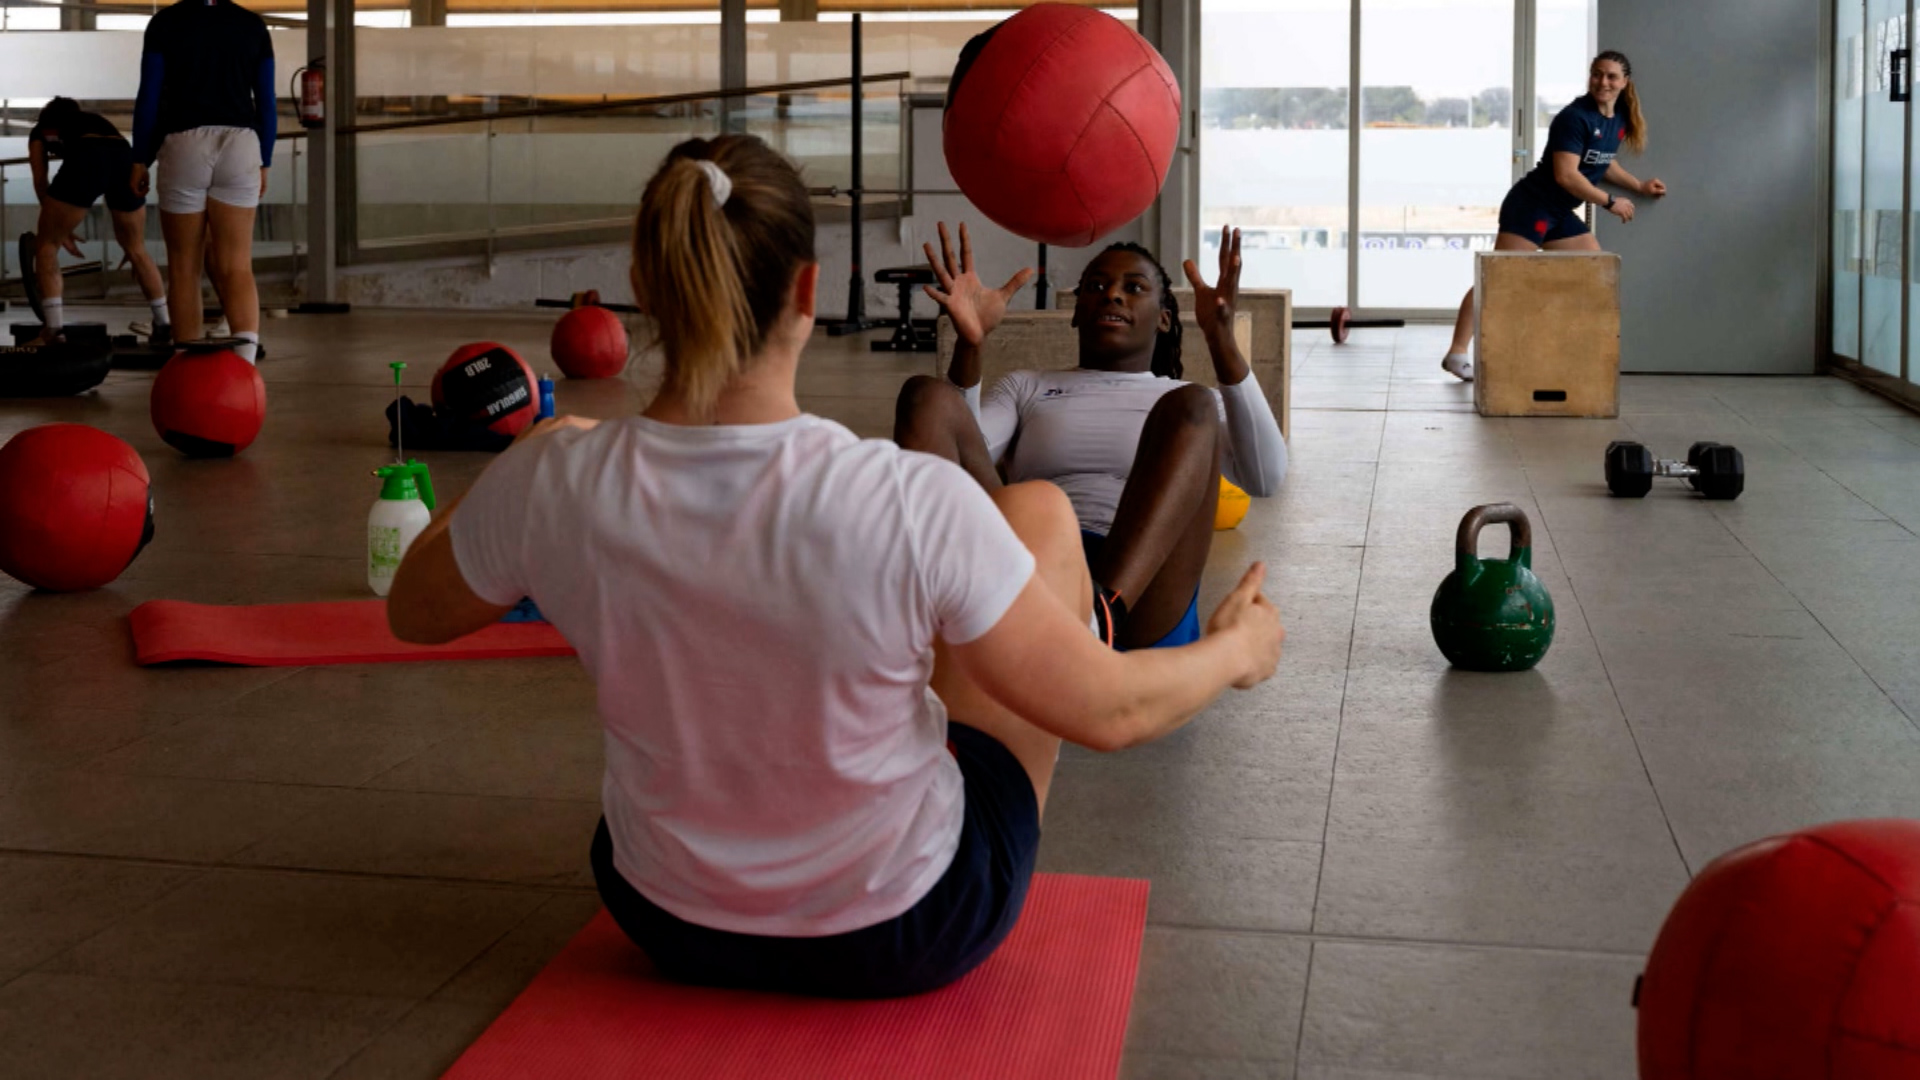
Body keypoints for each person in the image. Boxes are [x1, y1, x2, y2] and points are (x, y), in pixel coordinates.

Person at [385, 135, 1285, 1000]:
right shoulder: (903, 497)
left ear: (641, 290)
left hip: (664, 917)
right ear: (808, 292)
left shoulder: (558, 476)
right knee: (1038, 514)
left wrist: (536, 455)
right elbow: (1112, 711)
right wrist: (1237, 651)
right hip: (909, 929)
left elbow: (412, 612)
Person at [895, 223, 1288, 652]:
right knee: (926, 396)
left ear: (1164, 319)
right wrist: (969, 347)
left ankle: (1101, 617)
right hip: (1033, 562)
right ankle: (920, 617)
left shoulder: (1185, 403)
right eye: (1096, 286)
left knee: (1190, 403)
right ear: (1078, 311)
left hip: (1143, 593)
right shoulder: (1027, 386)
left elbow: (1265, 477)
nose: (1112, 294)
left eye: (1133, 287)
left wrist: (1221, 339)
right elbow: (961, 461)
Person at [1441, 50, 1668, 381]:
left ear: (1624, 82)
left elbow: (1602, 162)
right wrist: (1609, 202)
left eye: (1611, 76)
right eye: (1596, 74)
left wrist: (1639, 185)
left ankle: (1559, 347)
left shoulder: (1617, 118)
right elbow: (1567, 175)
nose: (1602, 81)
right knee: (1498, 278)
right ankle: (1457, 352)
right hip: (1531, 205)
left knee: (1594, 271)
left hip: (1559, 211)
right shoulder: (1574, 118)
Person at [129, 0, 276, 362]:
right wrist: (265, 160)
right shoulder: (252, 25)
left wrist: (139, 158)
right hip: (241, 143)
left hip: (184, 143)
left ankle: (185, 366)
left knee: (184, 266)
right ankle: (244, 368)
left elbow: (149, 98)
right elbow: (267, 102)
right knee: (237, 265)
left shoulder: (165, 23)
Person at [24, 97, 170, 347]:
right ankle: (164, 325)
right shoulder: (94, 121)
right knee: (137, 250)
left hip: (86, 156)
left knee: (47, 247)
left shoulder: (41, 131)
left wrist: (55, 224)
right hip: (124, 156)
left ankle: (54, 331)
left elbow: (40, 180)